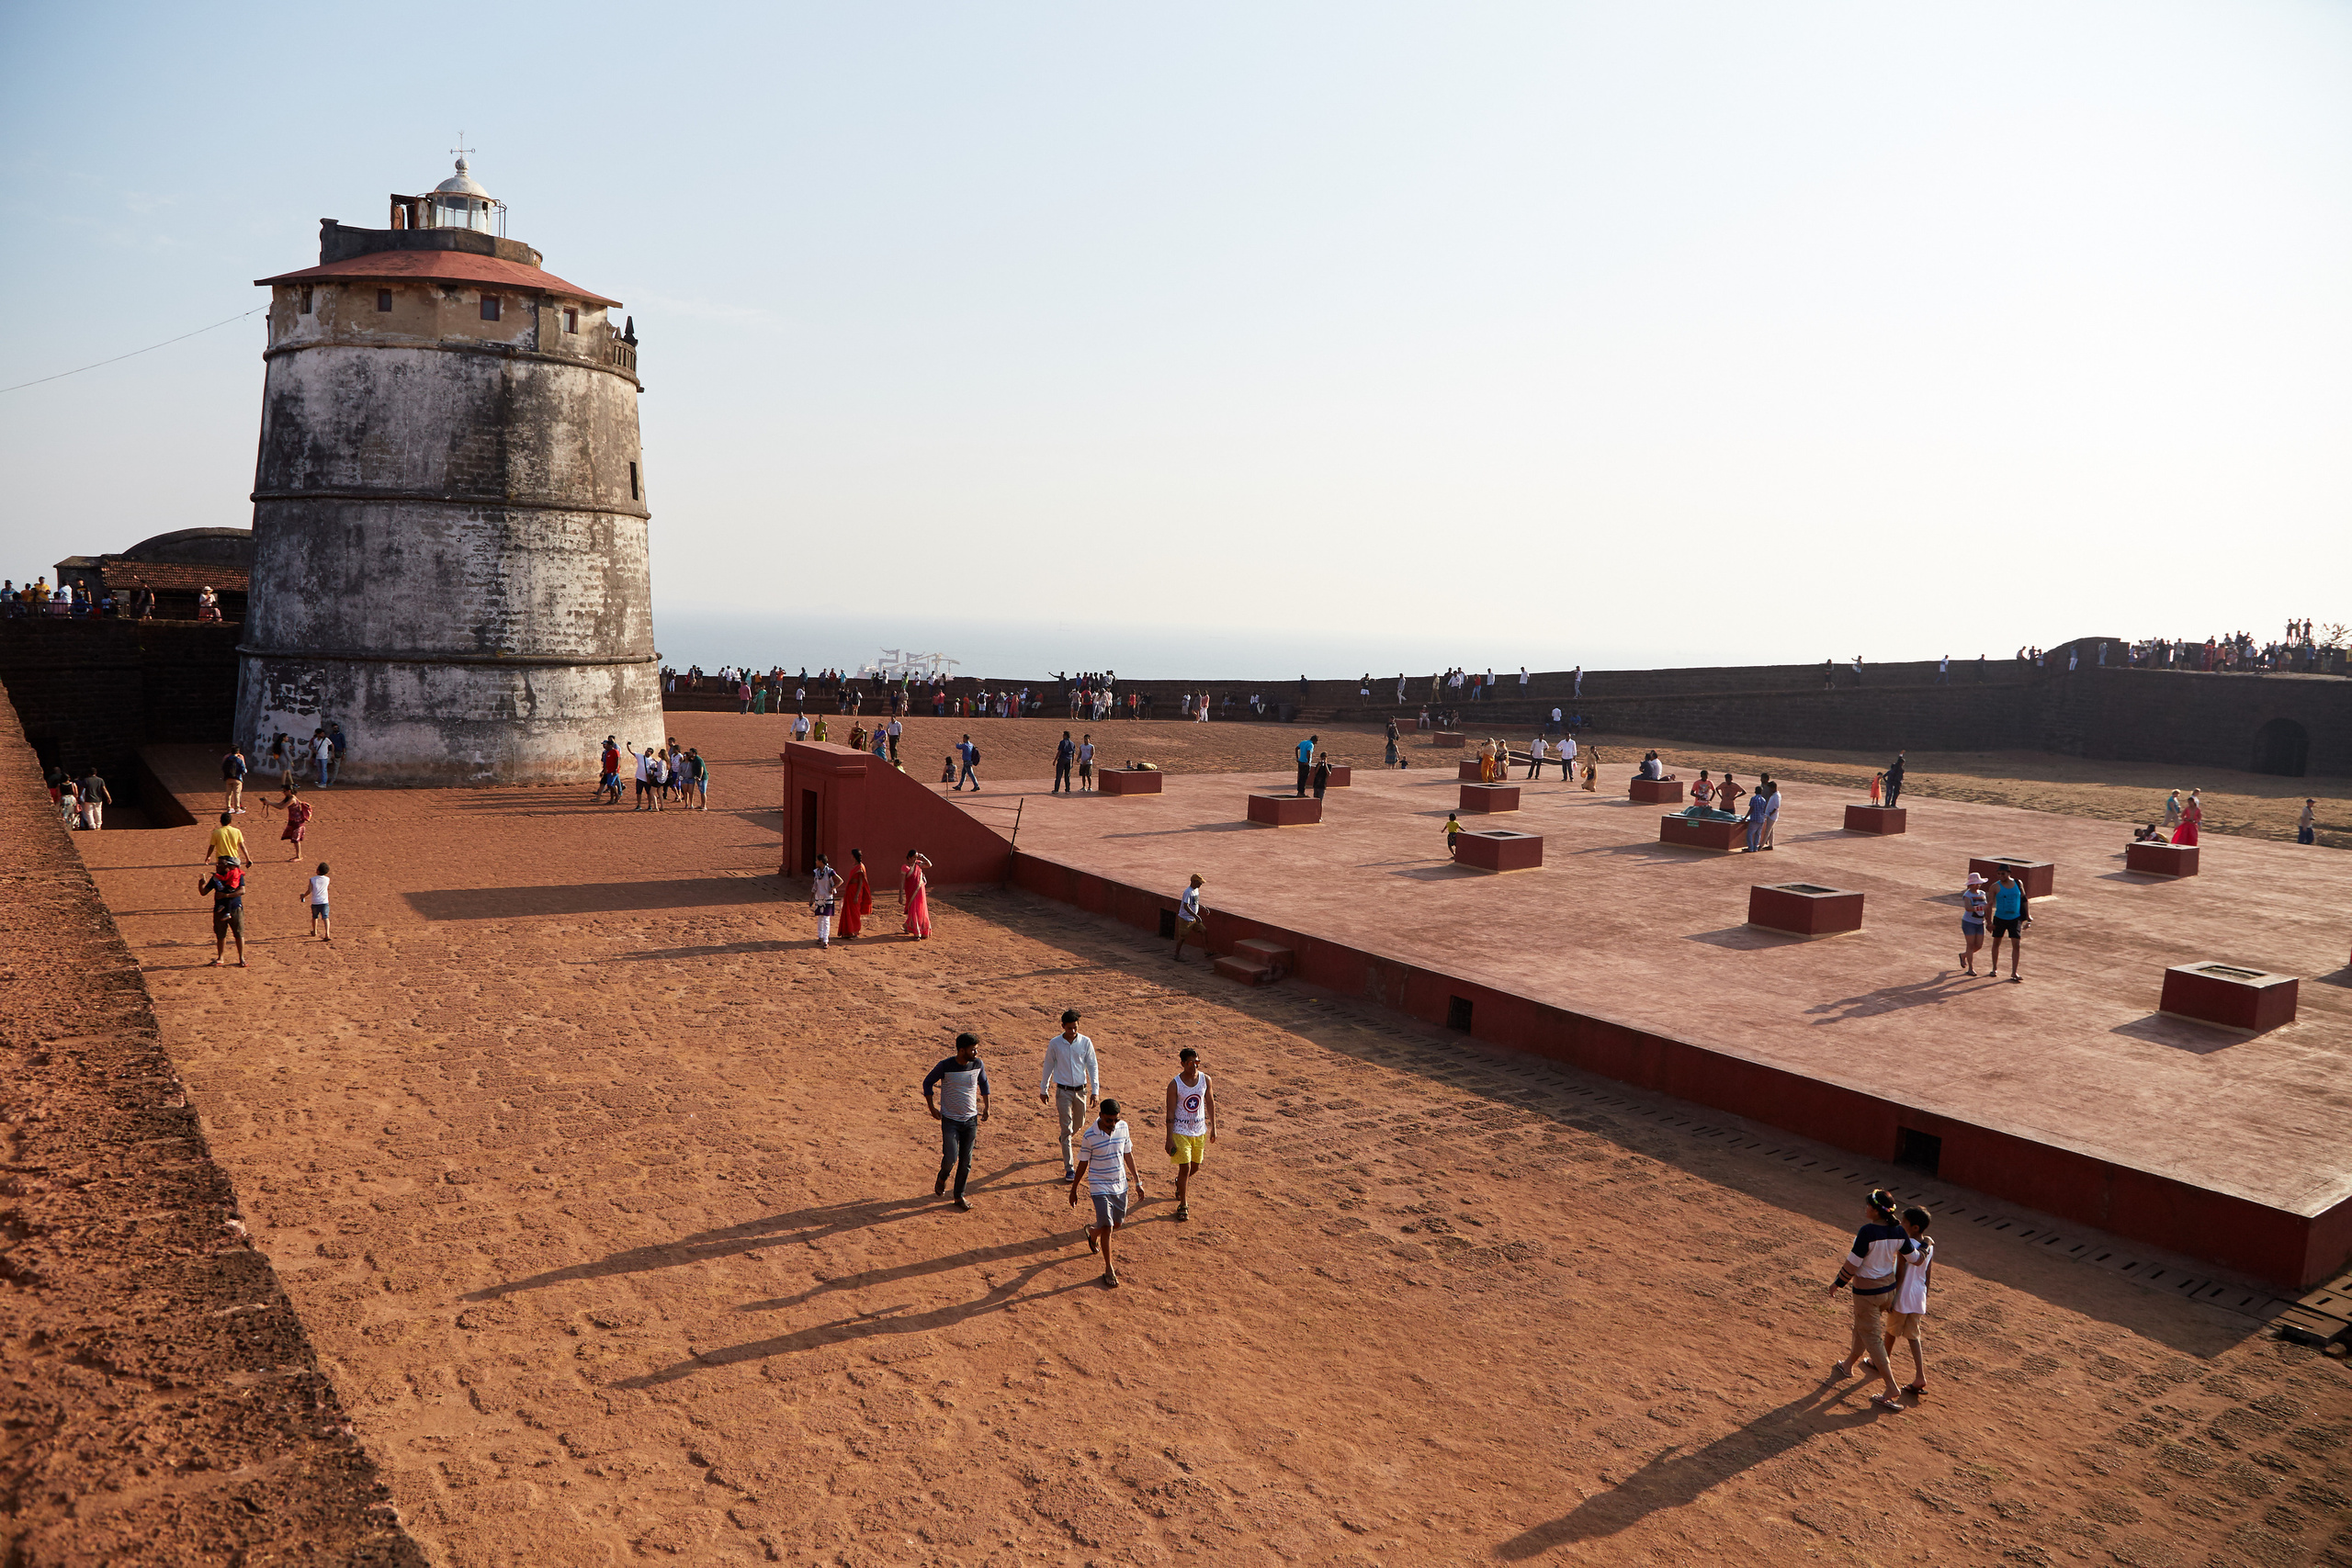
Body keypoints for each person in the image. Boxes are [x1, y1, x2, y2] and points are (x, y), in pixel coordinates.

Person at [1828, 1189, 1912, 1413]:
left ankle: (1892, 1388)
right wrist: (1925, 1249)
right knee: (1862, 1328)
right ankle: (1847, 1365)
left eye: (1868, 1206)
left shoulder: (1867, 1232)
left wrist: (1838, 1283)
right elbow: (1913, 1257)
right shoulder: (1899, 1231)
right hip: (1888, 1292)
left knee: (1872, 1338)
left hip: (1867, 1294)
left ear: (1875, 1211)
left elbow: (1853, 1263)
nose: (1865, 1208)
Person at [1070, 1098, 1144, 1288]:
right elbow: (1083, 1163)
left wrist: (1137, 1181)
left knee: (1116, 1223)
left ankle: (1093, 1232)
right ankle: (1108, 1268)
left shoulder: (1123, 1128)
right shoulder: (1089, 1136)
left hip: (1120, 1186)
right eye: (1109, 1120)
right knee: (1109, 1227)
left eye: (1115, 1120)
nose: (1112, 1124)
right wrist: (1074, 1188)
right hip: (1099, 1186)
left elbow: (1128, 1154)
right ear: (1100, 1115)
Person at [922, 1032, 991, 1212]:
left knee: (966, 1161)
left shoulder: (978, 1064)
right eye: (973, 1050)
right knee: (951, 1157)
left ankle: (959, 1196)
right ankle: (942, 1177)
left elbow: (984, 1084)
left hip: (971, 1120)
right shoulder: (945, 1066)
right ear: (961, 1051)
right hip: (950, 1120)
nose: (976, 1053)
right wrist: (931, 1107)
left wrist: (986, 1107)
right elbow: (927, 1082)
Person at [1882, 1205, 1935, 1402]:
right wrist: (1925, 1295)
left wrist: (1892, 1296)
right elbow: (1928, 1274)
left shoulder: (1905, 1244)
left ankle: (1881, 1362)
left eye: (1904, 1222)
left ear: (1914, 1227)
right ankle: (1920, 1376)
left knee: (1891, 1330)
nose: (1901, 1224)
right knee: (1914, 1336)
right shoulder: (1928, 1247)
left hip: (1902, 1295)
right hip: (1917, 1296)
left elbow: (1900, 1272)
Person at [1039, 1010, 1101, 1181]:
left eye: (1075, 1028)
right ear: (1062, 1026)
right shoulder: (1055, 1044)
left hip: (1081, 1091)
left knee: (1079, 1123)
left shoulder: (1086, 1042)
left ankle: (1064, 1139)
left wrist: (1095, 1090)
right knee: (1067, 1128)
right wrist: (1043, 1089)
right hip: (1063, 1091)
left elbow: (1092, 1066)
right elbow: (1048, 1066)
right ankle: (1069, 1168)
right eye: (1070, 1028)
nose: (1073, 1031)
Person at [1164, 1046, 1217, 1222]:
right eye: (1190, 1063)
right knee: (1185, 1167)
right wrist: (1169, 1138)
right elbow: (1170, 1112)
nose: (1194, 1066)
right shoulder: (1174, 1085)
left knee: (1195, 1167)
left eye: (1197, 1062)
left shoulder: (1205, 1080)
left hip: (1199, 1131)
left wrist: (1213, 1127)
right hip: (1180, 1131)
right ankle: (1183, 1205)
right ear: (1182, 1064)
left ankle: (1180, 1183)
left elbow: (1209, 1103)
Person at [198, 856, 249, 968]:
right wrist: (201, 882)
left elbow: (242, 891)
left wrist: (226, 895)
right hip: (219, 910)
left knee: (239, 934)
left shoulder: (237, 875)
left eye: (220, 864)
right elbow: (203, 892)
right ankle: (220, 957)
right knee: (220, 935)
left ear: (227, 866)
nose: (217, 866)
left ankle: (241, 958)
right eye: (217, 864)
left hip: (235, 908)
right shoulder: (215, 878)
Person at [1987, 864, 2030, 981]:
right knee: (1996, 943)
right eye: (1999, 874)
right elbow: (1990, 904)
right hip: (2000, 918)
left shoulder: (2018, 883)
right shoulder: (1995, 887)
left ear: (2009, 873)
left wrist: (2028, 916)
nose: (2001, 876)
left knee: (2016, 945)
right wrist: (1989, 922)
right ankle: (1994, 968)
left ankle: (2014, 972)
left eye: (2003, 874)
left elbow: (2024, 899)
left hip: (2015, 919)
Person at [838, 848, 875, 939]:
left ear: (854, 856)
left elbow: (861, 882)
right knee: (848, 911)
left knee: (855, 913)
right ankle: (848, 932)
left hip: (856, 892)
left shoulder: (861, 867)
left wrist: (857, 895)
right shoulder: (855, 866)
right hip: (850, 891)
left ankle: (855, 931)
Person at [1171, 873, 1207, 963]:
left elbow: (1195, 902)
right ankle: (1176, 954)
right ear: (1194, 882)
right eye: (1199, 883)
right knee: (1182, 937)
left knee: (1203, 930)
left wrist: (1202, 907)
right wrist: (1196, 916)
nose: (1200, 885)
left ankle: (1206, 951)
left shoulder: (1196, 890)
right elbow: (1186, 906)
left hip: (1193, 918)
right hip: (1186, 919)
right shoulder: (1188, 892)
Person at [1958, 873, 1988, 975]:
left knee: (1979, 945)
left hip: (1980, 923)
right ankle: (1970, 968)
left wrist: (1988, 920)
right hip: (1969, 923)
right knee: (1970, 945)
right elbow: (1968, 908)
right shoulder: (1967, 895)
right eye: (1975, 883)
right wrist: (1981, 908)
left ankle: (1964, 955)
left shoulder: (1982, 893)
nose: (1977, 885)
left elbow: (1987, 907)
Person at [810, 853, 840, 948]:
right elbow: (815, 885)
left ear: (821, 861)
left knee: (826, 919)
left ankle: (825, 939)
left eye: (817, 860)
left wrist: (833, 888)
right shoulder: (817, 872)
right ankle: (820, 936)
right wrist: (811, 898)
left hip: (827, 897)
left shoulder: (830, 871)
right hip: (819, 897)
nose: (816, 862)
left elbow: (840, 880)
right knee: (820, 918)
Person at [901, 849, 933, 939]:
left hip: (920, 890)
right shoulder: (905, 867)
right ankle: (916, 931)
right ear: (909, 857)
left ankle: (919, 929)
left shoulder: (918, 864)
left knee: (921, 908)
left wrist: (923, 857)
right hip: (911, 892)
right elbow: (902, 882)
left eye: (916, 857)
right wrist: (900, 894)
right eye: (914, 858)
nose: (915, 859)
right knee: (913, 910)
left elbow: (929, 865)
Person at [278, 785, 313, 860]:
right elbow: (279, 804)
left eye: (285, 791)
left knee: (296, 839)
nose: (283, 792)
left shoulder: (292, 799)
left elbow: (281, 807)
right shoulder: (291, 798)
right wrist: (268, 802)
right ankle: (298, 855)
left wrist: (269, 802)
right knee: (295, 839)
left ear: (289, 791)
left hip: (297, 821)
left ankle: (299, 856)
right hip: (293, 821)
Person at [300, 861, 332, 942]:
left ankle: (314, 931)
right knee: (326, 917)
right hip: (324, 901)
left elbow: (309, 890)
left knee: (315, 917)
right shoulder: (327, 879)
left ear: (318, 870)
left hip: (315, 901)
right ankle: (327, 933)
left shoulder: (312, 879)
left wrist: (303, 896)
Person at [76, 767, 110, 831]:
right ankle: (98, 825)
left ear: (89, 774)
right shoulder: (100, 780)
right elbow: (104, 789)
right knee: (98, 812)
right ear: (96, 773)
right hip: (98, 799)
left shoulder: (86, 780)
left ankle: (92, 825)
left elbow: (82, 789)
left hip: (88, 799)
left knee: (89, 812)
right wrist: (108, 797)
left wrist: (79, 796)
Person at [221, 746, 248, 816]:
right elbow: (244, 770)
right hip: (237, 778)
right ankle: (237, 808)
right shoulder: (239, 760)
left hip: (228, 778)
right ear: (238, 752)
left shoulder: (227, 759)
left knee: (228, 793)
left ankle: (229, 808)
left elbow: (223, 767)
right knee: (237, 793)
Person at [1743, 784, 1768, 852]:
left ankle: (1750, 848)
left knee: (1750, 834)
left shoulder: (1753, 799)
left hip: (1754, 819)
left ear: (1755, 791)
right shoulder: (1763, 800)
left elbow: (1751, 809)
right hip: (1761, 819)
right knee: (1758, 834)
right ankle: (1755, 847)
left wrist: (1745, 817)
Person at [1759, 779, 1781, 850]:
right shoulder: (1774, 795)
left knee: (1767, 831)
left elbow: (1777, 806)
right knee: (1771, 831)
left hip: (1772, 816)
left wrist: (1771, 813)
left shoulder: (1776, 795)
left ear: (1773, 788)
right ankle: (1771, 845)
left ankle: (1761, 845)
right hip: (1770, 815)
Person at [1295, 733, 1317, 797]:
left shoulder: (1303, 742)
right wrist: (1308, 761)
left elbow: (1296, 748)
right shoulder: (1311, 744)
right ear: (1314, 741)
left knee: (1300, 778)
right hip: (1305, 764)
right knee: (1304, 778)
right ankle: (1302, 792)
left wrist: (1297, 757)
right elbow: (1309, 752)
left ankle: (1299, 792)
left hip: (1300, 762)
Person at [1054, 730, 1075, 794]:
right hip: (1069, 759)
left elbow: (1059, 751)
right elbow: (1073, 753)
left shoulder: (1062, 742)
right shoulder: (1072, 743)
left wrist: (1055, 760)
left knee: (1059, 775)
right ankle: (1068, 789)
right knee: (1067, 775)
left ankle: (1056, 789)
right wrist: (1072, 762)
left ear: (1065, 735)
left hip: (1062, 758)